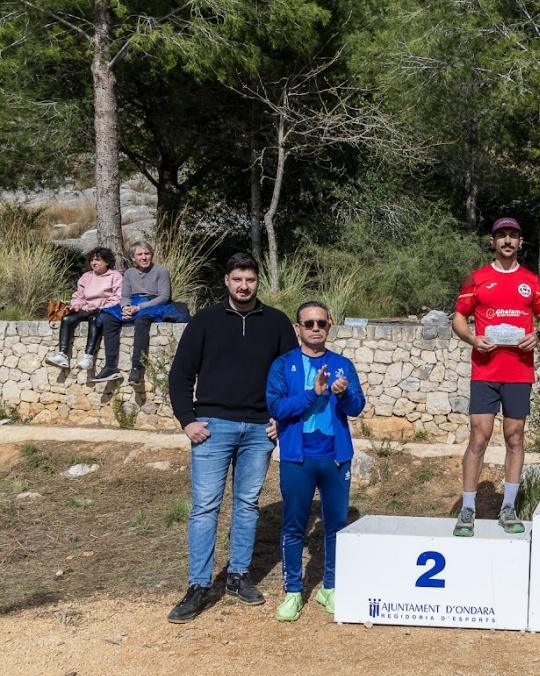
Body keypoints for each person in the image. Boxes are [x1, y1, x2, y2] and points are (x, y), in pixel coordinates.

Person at [166, 252, 298, 624]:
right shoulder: (205, 321)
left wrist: (281, 419)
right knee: (205, 506)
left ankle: (239, 576)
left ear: (258, 282)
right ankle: (198, 586)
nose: (244, 286)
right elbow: (180, 375)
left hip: (259, 429)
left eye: (250, 280)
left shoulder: (275, 323)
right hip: (212, 426)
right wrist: (187, 420)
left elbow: (290, 376)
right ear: (226, 280)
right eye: (237, 279)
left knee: (247, 504)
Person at [451, 217, 540, 537]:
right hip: (485, 370)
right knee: (478, 436)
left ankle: (508, 506)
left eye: (513, 236)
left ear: (521, 242)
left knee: (515, 437)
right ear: (493, 241)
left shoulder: (531, 281)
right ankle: (468, 509)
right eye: (502, 236)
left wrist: (538, 334)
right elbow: (458, 319)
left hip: (519, 372)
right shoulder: (477, 279)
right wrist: (472, 339)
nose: (507, 241)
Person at [267, 301, 365, 621]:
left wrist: (343, 394)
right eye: (308, 324)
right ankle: (293, 592)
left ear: (329, 325)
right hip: (297, 457)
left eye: (321, 323)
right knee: (294, 526)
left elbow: (356, 407)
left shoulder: (342, 364)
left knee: (336, 524)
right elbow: (277, 409)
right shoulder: (283, 364)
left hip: (336, 458)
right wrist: (313, 392)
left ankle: (330, 587)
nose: (314, 329)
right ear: (298, 328)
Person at [96, 241, 186, 385]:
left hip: (154, 302)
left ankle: (137, 368)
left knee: (141, 320)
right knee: (109, 318)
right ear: (133, 258)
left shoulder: (161, 271)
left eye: (147, 253)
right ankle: (110, 367)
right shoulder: (129, 273)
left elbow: (164, 297)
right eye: (140, 254)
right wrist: (126, 307)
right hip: (134, 302)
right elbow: (125, 296)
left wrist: (139, 308)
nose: (144, 257)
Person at [43, 246, 122, 378]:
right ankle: (62, 355)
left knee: (95, 320)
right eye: (91, 260)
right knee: (67, 319)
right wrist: (75, 305)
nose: (93, 263)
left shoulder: (115, 276)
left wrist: (99, 305)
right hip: (85, 308)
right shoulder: (86, 276)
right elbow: (78, 295)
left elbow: (117, 297)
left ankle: (88, 357)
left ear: (107, 262)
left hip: (103, 309)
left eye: (97, 260)